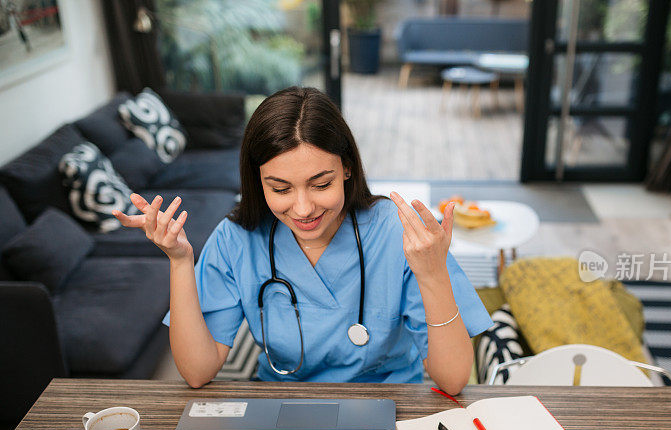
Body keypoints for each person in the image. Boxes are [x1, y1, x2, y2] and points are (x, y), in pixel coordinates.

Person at [112, 86, 492, 395]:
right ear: (257, 182)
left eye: (321, 184)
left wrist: (433, 273)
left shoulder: (398, 234)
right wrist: (179, 261)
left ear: (346, 167)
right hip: (283, 406)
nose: (304, 208)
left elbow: (454, 379)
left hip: (388, 406)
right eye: (280, 189)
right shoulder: (237, 239)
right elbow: (197, 373)